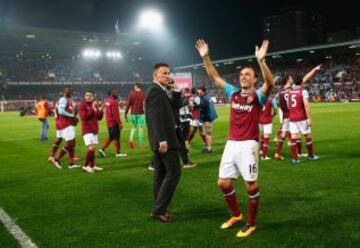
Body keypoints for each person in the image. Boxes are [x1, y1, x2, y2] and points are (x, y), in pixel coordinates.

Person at [195, 39, 274, 238]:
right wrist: (206, 57)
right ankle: (237, 215)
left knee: (251, 185)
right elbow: (214, 77)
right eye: (241, 74)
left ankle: (251, 223)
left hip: (249, 144)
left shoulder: (258, 96)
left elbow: (270, 83)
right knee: (223, 182)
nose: (243, 76)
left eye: (247, 74)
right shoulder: (233, 93)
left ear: (255, 79)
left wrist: (262, 62)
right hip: (232, 143)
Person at [145, 63, 181, 222]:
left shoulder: (161, 90)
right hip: (165, 140)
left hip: (161, 139)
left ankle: (159, 209)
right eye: (163, 73)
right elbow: (154, 117)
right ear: (155, 75)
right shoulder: (155, 90)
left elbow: (174, 108)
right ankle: (159, 209)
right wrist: (162, 139)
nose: (167, 76)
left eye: (168, 73)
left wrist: (176, 90)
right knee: (174, 172)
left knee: (160, 174)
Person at [288, 76, 320, 164]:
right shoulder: (303, 91)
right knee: (308, 136)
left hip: (292, 118)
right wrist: (309, 118)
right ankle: (311, 156)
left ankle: (295, 159)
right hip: (302, 118)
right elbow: (306, 105)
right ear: (302, 82)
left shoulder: (290, 92)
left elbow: (288, 106)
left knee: (293, 138)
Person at [50, 86, 80, 169]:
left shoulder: (69, 101)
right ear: (64, 92)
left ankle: (71, 163)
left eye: (71, 90)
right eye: (68, 90)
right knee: (70, 143)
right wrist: (72, 116)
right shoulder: (63, 99)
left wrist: (74, 117)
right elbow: (61, 111)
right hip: (65, 124)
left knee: (72, 143)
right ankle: (57, 159)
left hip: (68, 124)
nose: (70, 92)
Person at [78, 90, 104, 173]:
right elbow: (84, 117)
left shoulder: (94, 105)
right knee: (91, 147)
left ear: (93, 97)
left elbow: (99, 117)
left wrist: (101, 109)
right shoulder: (82, 105)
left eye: (90, 95)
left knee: (93, 148)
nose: (88, 97)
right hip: (87, 129)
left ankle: (92, 165)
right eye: (87, 95)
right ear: (85, 97)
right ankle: (85, 166)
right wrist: (92, 108)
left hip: (94, 129)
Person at [99, 89, 127, 157]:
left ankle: (102, 149)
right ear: (111, 93)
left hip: (109, 122)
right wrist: (119, 123)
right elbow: (115, 114)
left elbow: (103, 109)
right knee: (116, 137)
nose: (117, 93)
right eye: (115, 92)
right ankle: (118, 153)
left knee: (111, 137)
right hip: (114, 123)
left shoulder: (107, 101)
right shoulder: (113, 102)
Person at [124, 82, 146, 149]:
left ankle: (131, 140)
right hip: (141, 113)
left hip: (133, 113)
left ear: (136, 87)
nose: (134, 87)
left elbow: (128, 104)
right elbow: (145, 104)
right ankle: (141, 144)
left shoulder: (132, 94)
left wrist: (126, 112)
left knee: (134, 127)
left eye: (134, 86)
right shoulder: (143, 94)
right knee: (141, 128)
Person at [198, 86, 218, 153]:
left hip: (207, 118)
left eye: (199, 91)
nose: (198, 92)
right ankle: (208, 147)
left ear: (202, 91)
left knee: (207, 134)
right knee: (206, 133)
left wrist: (194, 104)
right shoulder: (207, 97)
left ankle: (209, 149)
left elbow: (200, 106)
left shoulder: (204, 99)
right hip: (209, 117)